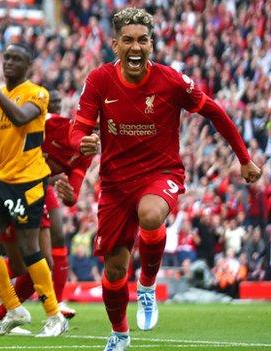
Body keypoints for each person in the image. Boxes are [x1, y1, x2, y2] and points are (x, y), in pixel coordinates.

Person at [65, 8, 262, 351]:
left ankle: (147, 285)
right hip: (114, 185)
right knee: (113, 272)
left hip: (161, 174)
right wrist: (79, 141)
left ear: (152, 44)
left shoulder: (171, 81)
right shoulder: (99, 80)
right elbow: (78, 127)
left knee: (152, 215)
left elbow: (215, 111)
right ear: (116, 44)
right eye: (128, 40)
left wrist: (244, 158)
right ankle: (120, 334)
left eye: (143, 39)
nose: (136, 46)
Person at [0, 89, 92, 333]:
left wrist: (70, 196)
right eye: (93, 130)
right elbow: (19, 126)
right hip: (6, 183)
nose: (96, 137)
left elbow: (73, 190)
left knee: (32, 261)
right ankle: (43, 313)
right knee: (30, 259)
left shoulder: (85, 153)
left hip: (34, 189)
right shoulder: (53, 124)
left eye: (100, 132)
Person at [0, 44, 66, 337]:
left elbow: (21, 117)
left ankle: (54, 315)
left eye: (16, 59)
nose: (9, 62)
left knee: (29, 248)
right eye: (6, 58)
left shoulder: (37, 93)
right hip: (2, 180)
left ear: (27, 67)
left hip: (29, 180)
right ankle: (13, 308)